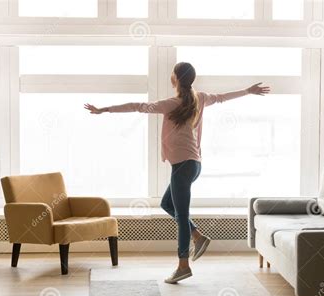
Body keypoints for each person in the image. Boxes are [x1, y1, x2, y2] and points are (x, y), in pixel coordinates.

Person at [84, 62, 270, 284]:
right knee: (167, 204)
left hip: (183, 166)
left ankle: (183, 265)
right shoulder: (200, 98)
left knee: (181, 215)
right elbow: (221, 97)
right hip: (192, 165)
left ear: (175, 79)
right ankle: (198, 236)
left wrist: (104, 110)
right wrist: (247, 91)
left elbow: (138, 106)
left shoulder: (173, 103)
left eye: (172, 73)